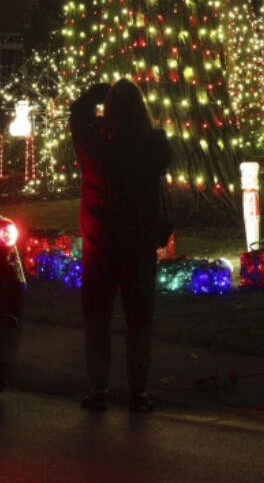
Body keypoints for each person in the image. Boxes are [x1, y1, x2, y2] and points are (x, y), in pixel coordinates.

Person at [69, 79, 172, 413]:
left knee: (97, 320)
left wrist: (96, 94)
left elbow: (76, 115)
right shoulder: (152, 146)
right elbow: (163, 159)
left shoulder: (94, 147)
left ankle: (98, 390)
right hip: (138, 245)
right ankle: (138, 391)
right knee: (139, 321)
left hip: (100, 246)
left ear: (108, 111)